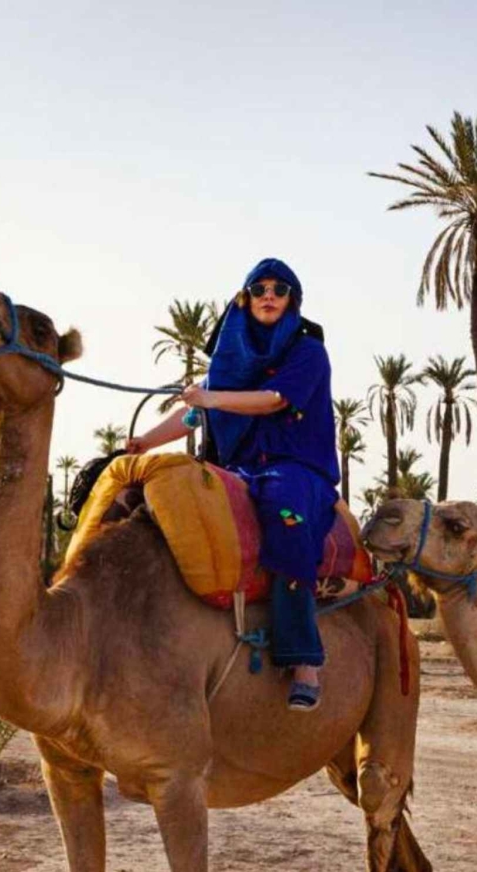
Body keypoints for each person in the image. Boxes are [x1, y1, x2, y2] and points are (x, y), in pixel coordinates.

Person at [128, 258, 339, 712]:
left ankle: (304, 659)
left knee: (286, 516)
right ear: (243, 299)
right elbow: (193, 415)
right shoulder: (230, 365)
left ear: (292, 301)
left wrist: (210, 397)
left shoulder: (307, 353)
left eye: (279, 289)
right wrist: (143, 442)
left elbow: (273, 400)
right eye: (259, 288)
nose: (269, 295)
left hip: (295, 469)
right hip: (239, 468)